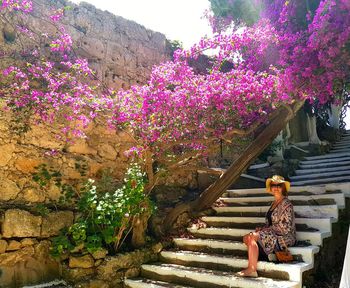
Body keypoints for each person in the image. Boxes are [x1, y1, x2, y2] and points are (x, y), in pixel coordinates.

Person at [236, 175, 296, 277]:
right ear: (271, 188)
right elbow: (271, 223)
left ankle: (252, 269)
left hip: (283, 237)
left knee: (252, 237)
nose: (276, 188)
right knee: (246, 238)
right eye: (274, 185)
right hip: (273, 234)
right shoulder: (274, 203)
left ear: (283, 188)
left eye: (279, 185)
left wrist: (266, 230)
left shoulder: (286, 204)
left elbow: (286, 228)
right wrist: (263, 228)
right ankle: (263, 256)